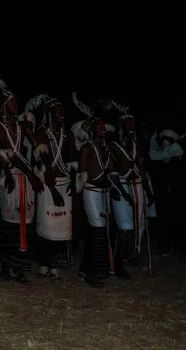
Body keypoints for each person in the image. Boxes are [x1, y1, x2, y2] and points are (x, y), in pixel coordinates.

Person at [0, 50, 44, 285]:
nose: (17, 105)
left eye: (17, 102)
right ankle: (7, 267)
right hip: (11, 178)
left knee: (25, 224)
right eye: (13, 103)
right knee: (8, 225)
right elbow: (6, 155)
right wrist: (11, 174)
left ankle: (20, 267)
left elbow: (36, 146)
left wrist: (33, 138)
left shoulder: (22, 126)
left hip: (25, 179)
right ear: (4, 107)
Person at [71, 93, 122, 287]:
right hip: (91, 192)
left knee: (104, 230)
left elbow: (110, 171)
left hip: (104, 192)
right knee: (96, 231)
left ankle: (91, 268)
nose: (101, 129)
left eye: (103, 126)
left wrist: (116, 188)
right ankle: (92, 271)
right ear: (92, 130)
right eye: (98, 126)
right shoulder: (87, 148)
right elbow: (83, 173)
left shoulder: (106, 149)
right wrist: (93, 186)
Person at [26, 94, 77, 280]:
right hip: (48, 186)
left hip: (65, 184)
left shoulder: (68, 134)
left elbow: (72, 162)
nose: (61, 113)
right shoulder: (41, 134)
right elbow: (43, 166)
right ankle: (43, 263)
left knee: (62, 227)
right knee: (47, 225)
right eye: (57, 111)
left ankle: (55, 263)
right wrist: (54, 190)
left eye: (62, 110)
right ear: (49, 114)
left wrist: (73, 183)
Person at [104, 101, 154, 273]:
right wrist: (122, 194)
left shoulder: (137, 145)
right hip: (122, 188)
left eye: (133, 123)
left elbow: (141, 169)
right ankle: (117, 264)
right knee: (125, 227)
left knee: (138, 224)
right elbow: (111, 172)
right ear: (121, 126)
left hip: (138, 187)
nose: (131, 126)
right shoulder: (114, 146)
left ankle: (130, 256)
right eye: (127, 124)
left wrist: (148, 192)